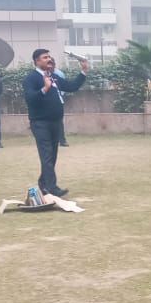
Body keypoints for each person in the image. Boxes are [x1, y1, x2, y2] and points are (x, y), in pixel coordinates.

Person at [23, 48, 88, 197]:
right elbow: (30, 99)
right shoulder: (31, 78)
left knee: (52, 155)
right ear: (37, 61)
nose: (49, 59)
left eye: (49, 57)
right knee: (47, 155)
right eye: (45, 57)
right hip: (40, 123)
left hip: (55, 122)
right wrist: (45, 88)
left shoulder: (53, 76)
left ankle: (43, 184)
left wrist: (83, 71)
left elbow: (71, 86)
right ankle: (52, 188)